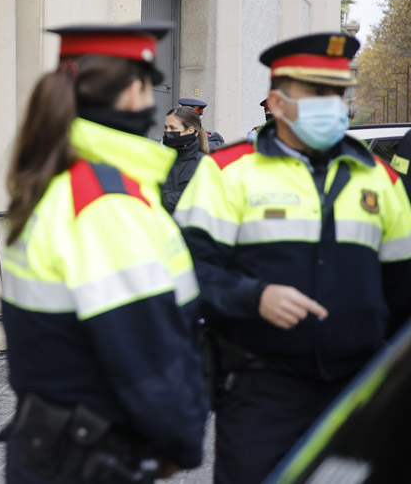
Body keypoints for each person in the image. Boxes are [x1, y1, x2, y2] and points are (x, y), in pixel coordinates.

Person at [175, 32, 411, 484]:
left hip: (355, 395)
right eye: (316, 93)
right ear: (277, 104)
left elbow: (403, 292)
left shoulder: (379, 179)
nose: (332, 105)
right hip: (260, 393)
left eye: (337, 93)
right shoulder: (228, 173)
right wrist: (253, 297)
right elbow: (185, 271)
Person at [0, 23, 207, 482]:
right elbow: (142, 350)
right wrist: (182, 436)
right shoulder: (105, 201)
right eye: (148, 89)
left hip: (65, 447)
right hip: (92, 454)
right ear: (133, 92)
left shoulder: (73, 182)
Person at [161, 105, 209, 213]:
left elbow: (200, 198)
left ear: (190, 130)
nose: (168, 132)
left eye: (173, 128)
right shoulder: (160, 160)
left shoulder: (204, 163)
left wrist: (163, 199)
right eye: (166, 127)